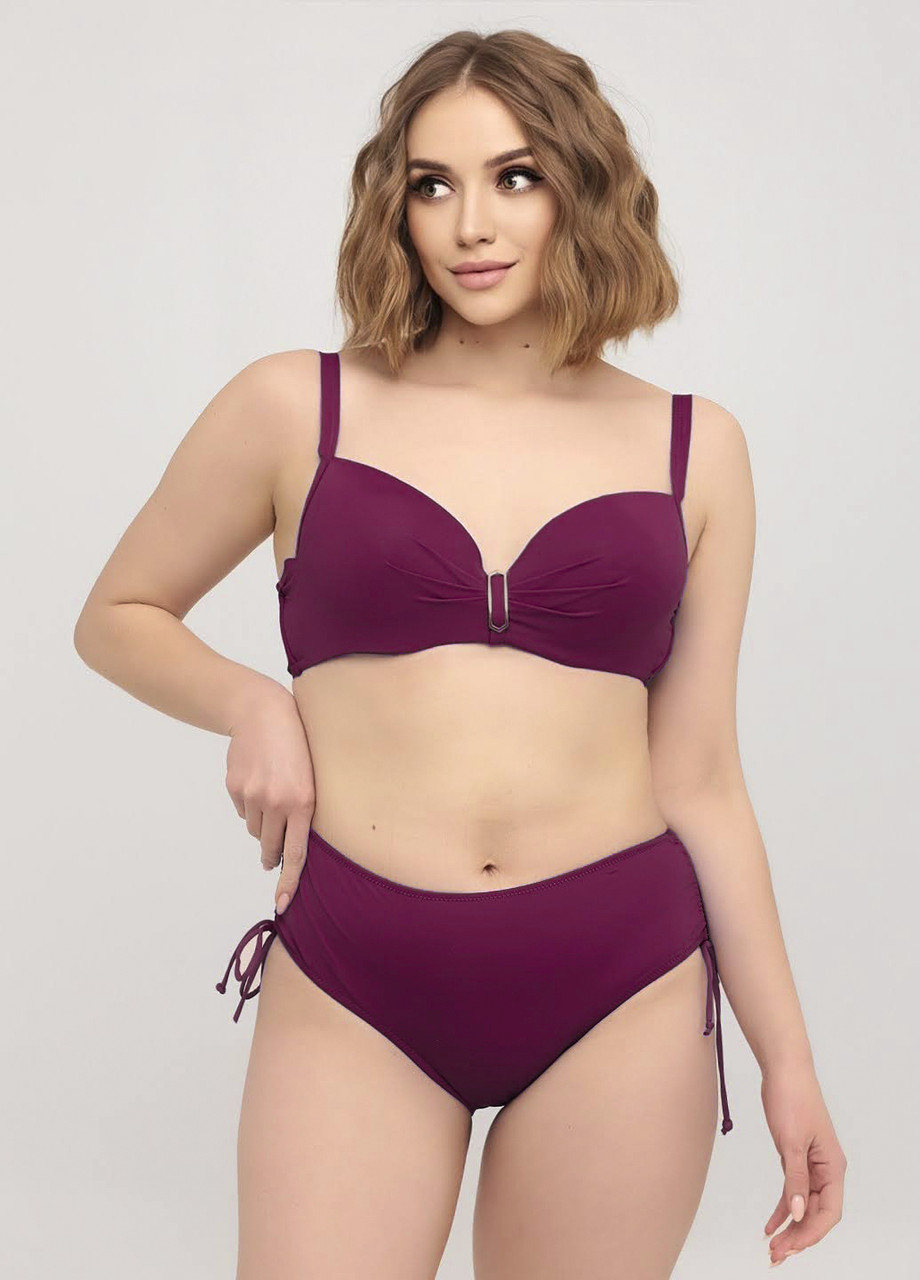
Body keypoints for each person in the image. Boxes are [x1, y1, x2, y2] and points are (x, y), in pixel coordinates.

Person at [73, 27, 846, 1280]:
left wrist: (787, 1063)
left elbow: (701, 775)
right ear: (396, 205)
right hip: (358, 970)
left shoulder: (695, 448)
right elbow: (117, 610)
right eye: (431, 184)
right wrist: (251, 702)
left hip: (622, 979)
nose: (469, 225)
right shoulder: (297, 405)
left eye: (513, 177)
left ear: (581, 189)